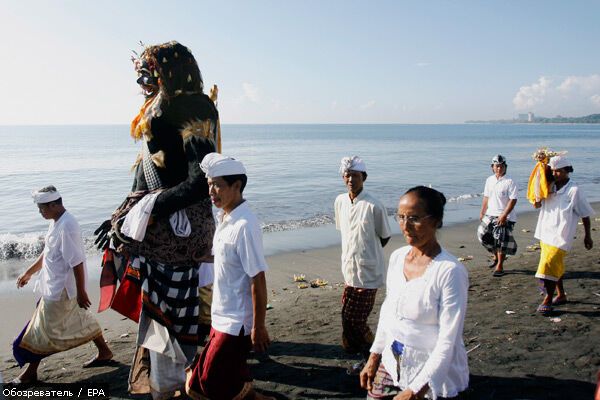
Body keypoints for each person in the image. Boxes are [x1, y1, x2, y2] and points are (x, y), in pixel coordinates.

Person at [93, 41, 219, 399]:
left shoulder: (194, 107)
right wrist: (121, 213)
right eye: (140, 77)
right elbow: (144, 175)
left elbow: (199, 182)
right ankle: (169, 386)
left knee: (174, 323)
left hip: (180, 237)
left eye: (149, 74)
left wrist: (145, 210)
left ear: (171, 73)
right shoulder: (153, 109)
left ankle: (174, 387)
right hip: (155, 237)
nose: (143, 83)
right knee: (157, 319)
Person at [360, 186, 469, 400]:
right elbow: (388, 310)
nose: (406, 226)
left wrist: (415, 390)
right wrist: (374, 356)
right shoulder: (398, 257)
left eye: (414, 218)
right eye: (400, 217)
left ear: (436, 221)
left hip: (433, 373)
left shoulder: (449, 271)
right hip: (393, 363)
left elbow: (449, 339)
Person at [186, 153, 274, 400]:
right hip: (220, 314)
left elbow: (258, 278)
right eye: (210, 184)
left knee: (209, 380)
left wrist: (258, 327)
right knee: (202, 379)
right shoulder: (224, 217)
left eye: (218, 185)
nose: (212, 191)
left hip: (237, 321)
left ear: (237, 186)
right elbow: (228, 258)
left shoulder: (245, 225)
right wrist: (201, 256)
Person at [12, 186, 113, 384]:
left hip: (62, 289)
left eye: (42, 208)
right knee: (80, 318)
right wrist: (28, 273)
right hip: (54, 286)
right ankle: (105, 351)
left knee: (42, 330)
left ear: (53, 205)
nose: (40, 212)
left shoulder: (67, 226)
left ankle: (30, 372)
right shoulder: (56, 221)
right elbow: (47, 252)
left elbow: (75, 261)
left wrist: (82, 291)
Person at [334, 155, 392, 374]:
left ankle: (374, 359)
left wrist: (368, 252)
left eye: (355, 176)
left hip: (368, 272)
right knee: (347, 318)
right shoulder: (340, 201)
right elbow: (346, 233)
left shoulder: (374, 205)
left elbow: (384, 236)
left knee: (356, 319)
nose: (351, 179)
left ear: (363, 177)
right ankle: (366, 356)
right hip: (349, 270)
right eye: (347, 175)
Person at [533, 155, 594, 315]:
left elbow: (585, 213)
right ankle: (561, 295)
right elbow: (538, 188)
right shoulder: (549, 187)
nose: (555, 174)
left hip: (561, 234)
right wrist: (542, 163)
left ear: (567, 170)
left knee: (548, 263)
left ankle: (547, 299)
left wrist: (587, 235)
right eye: (553, 171)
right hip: (546, 231)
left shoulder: (574, 190)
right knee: (553, 265)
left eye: (558, 171)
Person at [477, 154, 518, 277]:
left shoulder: (510, 181)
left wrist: (504, 215)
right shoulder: (489, 180)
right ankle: (495, 256)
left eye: (501, 166)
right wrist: (482, 211)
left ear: (505, 167)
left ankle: (500, 266)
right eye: (497, 166)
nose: (499, 168)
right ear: (492, 167)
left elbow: (513, 200)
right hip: (490, 214)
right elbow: (486, 197)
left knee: (500, 239)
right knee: (482, 235)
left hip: (505, 215)